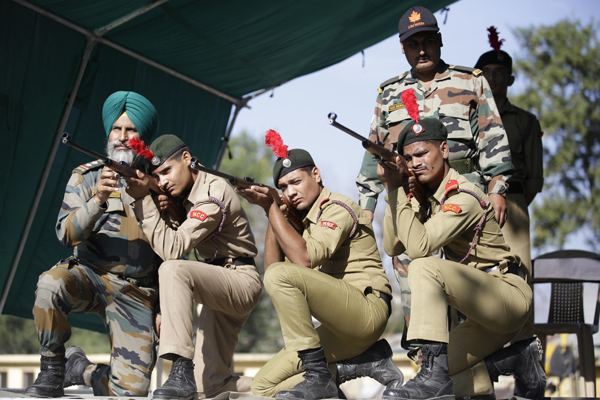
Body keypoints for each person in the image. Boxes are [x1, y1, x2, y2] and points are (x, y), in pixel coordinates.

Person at [355, 5, 514, 341]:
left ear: (440, 41)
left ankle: (471, 364)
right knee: (411, 273)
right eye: (413, 44)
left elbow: (493, 137)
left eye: (428, 41)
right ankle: (426, 360)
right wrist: (366, 209)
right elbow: (376, 153)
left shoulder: (470, 82)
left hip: (462, 196)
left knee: (463, 279)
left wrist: (498, 187)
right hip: (412, 200)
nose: (422, 50)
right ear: (403, 48)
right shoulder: (389, 94)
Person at [377, 116, 545, 400]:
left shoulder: (463, 195)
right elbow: (393, 246)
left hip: (506, 296)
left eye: (422, 153)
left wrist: (396, 190)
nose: (415, 162)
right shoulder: (425, 197)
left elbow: (418, 248)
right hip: (477, 310)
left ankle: (437, 375)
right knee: (446, 375)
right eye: (408, 158)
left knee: (423, 266)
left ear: (444, 150)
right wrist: (398, 194)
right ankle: (518, 359)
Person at [237, 133, 402, 400]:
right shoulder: (301, 222)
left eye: (296, 181)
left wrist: (271, 207)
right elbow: (272, 269)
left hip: (365, 313)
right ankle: (357, 366)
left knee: (283, 275)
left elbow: (303, 260)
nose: (290, 191)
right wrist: (274, 212)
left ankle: (318, 374)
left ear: (316, 174)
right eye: (283, 187)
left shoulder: (337, 207)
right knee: (262, 386)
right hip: (338, 326)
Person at [24, 91, 162, 397]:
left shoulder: (160, 183)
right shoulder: (86, 176)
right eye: (117, 129)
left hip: (137, 291)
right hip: (90, 276)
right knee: (50, 284)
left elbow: (173, 250)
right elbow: (65, 235)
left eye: (131, 130)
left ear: (144, 138)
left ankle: (82, 370)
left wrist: (164, 306)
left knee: (131, 392)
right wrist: (98, 198)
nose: (123, 137)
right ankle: (52, 370)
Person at [124, 134, 262, 400]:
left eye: (167, 171)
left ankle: (180, 368)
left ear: (187, 159)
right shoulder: (183, 196)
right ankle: (293, 388)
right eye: (158, 176)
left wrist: (144, 202)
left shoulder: (213, 191)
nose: (163, 181)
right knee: (209, 385)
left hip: (240, 280)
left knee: (172, 269)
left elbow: (172, 250)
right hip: (214, 286)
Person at [475, 27, 544, 282]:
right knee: (472, 274)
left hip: (513, 202)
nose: (493, 79)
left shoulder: (526, 122)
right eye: (487, 74)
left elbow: (534, 179)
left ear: (511, 79)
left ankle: (523, 324)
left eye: (500, 73)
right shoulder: (467, 118)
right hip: (475, 198)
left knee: (519, 275)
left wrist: (511, 200)